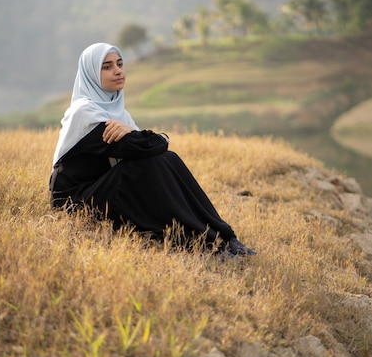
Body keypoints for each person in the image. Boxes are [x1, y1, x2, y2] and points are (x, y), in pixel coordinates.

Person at [49, 42, 256, 257]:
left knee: (169, 158)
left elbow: (146, 146)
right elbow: (138, 148)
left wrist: (145, 135)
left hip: (104, 187)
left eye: (120, 64)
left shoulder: (119, 114)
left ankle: (223, 236)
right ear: (90, 74)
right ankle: (206, 242)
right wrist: (157, 138)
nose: (118, 71)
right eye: (107, 67)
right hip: (77, 201)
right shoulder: (84, 112)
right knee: (151, 163)